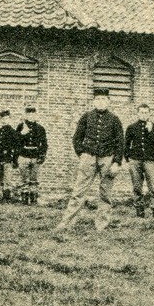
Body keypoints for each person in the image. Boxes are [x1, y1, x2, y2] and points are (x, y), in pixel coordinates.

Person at [56, 89, 126, 232]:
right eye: (98, 99)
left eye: (104, 99)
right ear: (94, 101)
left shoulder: (114, 119)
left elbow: (120, 143)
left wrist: (116, 162)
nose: (101, 102)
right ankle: (66, 224)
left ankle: (101, 225)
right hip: (88, 157)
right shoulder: (86, 117)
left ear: (109, 101)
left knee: (105, 193)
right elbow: (77, 138)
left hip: (107, 158)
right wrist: (81, 153)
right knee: (78, 191)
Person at [124, 102, 154, 219]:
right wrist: (128, 158)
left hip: (150, 160)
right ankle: (139, 210)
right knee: (137, 186)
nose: (144, 114)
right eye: (141, 112)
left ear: (150, 113)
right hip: (135, 160)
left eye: (146, 112)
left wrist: (151, 132)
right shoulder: (131, 127)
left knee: (153, 186)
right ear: (138, 113)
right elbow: (126, 144)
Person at [14, 105, 48, 205]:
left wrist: (42, 155)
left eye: (33, 114)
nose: (31, 116)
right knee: (24, 179)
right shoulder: (21, 127)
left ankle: (33, 198)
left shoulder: (40, 128)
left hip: (35, 156)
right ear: (25, 115)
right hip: (23, 155)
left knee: (34, 179)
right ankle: (24, 198)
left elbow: (44, 143)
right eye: (28, 114)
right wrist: (22, 134)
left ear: (36, 115)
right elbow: (15, 141)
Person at [0, 109, 21, 202]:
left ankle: (7, 197)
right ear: (1, 120)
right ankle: (3, 195)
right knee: (1, 178)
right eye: (3, 119)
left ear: (10, 119)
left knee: (7, 179)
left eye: (6, 119)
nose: (4, 121)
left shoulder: (13, 133)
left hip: (8, 158)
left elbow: (17, 147)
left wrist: (14, 160)